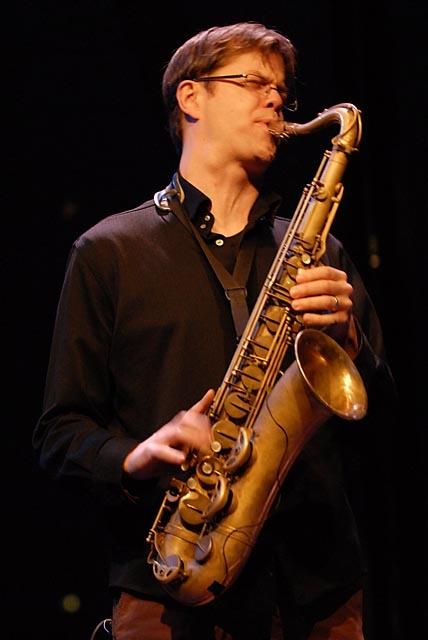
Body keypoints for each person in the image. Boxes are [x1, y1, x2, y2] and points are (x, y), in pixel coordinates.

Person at [33, 21, 396, 640]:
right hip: (172, 585)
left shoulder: (319, 251)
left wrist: (349, 342)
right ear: (191, 97)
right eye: (254, 82)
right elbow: (59, 434)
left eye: (282, 90)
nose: (276, 99)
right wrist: (136, 455)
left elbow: (381, 416)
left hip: (318, 594)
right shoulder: (108, 252)